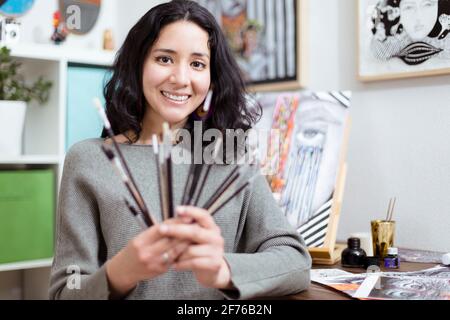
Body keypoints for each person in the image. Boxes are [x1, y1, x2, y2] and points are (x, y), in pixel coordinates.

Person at [49, 0, 311, 300]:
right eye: (164, 59)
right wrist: (121, 271)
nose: (181, 79)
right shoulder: (89, 160)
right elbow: (63, 291)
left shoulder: (230, 155)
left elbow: (295, 261)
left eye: (198, 64)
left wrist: (223, 270)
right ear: (138, 63)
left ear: (212, 77)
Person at [369, 0, 450, 62]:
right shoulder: (387, 44)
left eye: (427, 4)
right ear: (397, 11)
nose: (419, 17)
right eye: (409, 7)